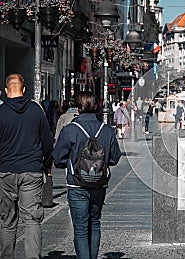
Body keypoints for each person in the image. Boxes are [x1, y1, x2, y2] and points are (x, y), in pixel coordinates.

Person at [52, 91, 121, 259]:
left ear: (78, 107)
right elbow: (115, 158)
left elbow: (58, 158)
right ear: (96, 106)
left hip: (76, 185)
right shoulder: (106, 130)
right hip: (99, 184)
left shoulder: (70, 130)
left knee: (81, 228)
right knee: (95, 223)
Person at [0, 74, 53, 259]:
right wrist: (47, 164)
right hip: (31, 171)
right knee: (32, 220)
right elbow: (47, 140)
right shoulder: (36, 110)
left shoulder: (1, 112)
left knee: (7, 221)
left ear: (6, 92)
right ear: (24, 90)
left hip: (5, 172)